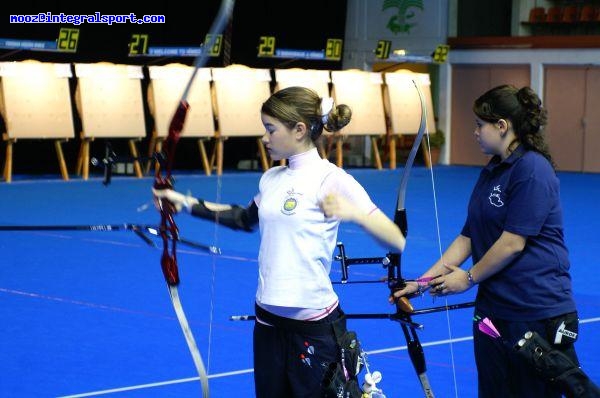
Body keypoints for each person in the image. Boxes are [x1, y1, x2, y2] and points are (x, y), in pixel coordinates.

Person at [154, 86, 406, 398]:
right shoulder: (271, 179)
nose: (265, 138)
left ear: (299, 130)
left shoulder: (333, 179)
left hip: (313, 325)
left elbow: (396, 240)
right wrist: (184, 202)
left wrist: (354, 212)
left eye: (271, 129)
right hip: (268, 324)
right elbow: (243, 218)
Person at [393, 84, 588, 397]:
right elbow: (468, 237)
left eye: (479, 125)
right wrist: (423, 282)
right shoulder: (493, 169)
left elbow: (513, 242)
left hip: (535, 312)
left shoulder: (533, 169)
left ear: (502, 126)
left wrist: (468, 278)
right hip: (493, 312)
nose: (475, 132)